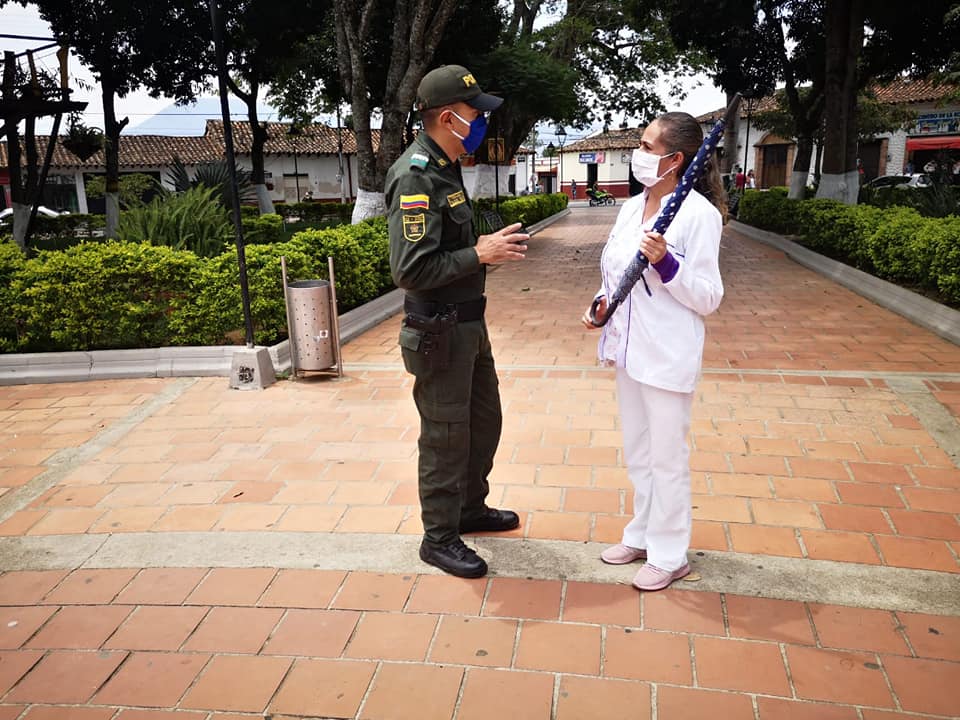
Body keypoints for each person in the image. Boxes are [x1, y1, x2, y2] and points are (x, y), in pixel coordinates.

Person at [385, 64, 529, 578]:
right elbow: (411, 269)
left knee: (483, 421)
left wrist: (481, 250)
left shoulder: (447, 168)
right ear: (449, 117)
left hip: (468, 325)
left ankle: (469, 507)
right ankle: (439, 537)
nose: (482, 121)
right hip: (438, 330)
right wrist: (480, 254)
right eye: (475, 114)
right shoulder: (417, 175)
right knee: (445, 436)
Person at [581, 111, 725, 591]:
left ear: (676, 159)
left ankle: (670, 552)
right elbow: (616, 272)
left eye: (646, 146)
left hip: (667, 353)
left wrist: (668, 264)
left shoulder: (699, 215)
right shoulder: (631, 207)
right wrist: (600, 304)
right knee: (639, 451)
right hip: (628, 348)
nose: (638, 155)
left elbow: (707, 296)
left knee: (666, 455)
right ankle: (641, 534)